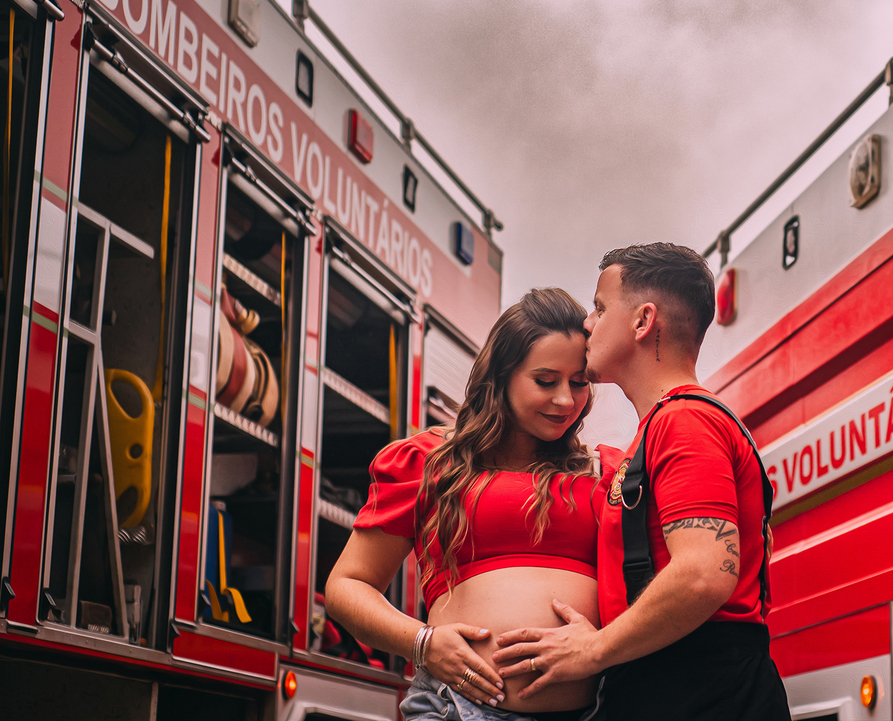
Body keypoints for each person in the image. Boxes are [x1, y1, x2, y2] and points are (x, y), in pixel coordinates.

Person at [492, 244, 790, 721]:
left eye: (600, 307)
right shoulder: (662, 428)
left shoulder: (685, 421)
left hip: (698, 689)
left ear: (642, 320)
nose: (588, 323)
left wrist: (591, 652)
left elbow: (703, 575)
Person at [325, 288, 606, 721]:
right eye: (546, 381)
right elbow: (347, 587)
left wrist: (602, 644)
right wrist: (423, 642)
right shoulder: (429, 461)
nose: (566, 400)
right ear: (501, 376)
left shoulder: (604, 471)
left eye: (579, 382)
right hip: (457, 708)